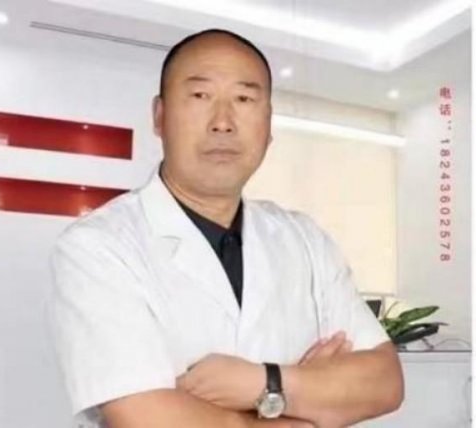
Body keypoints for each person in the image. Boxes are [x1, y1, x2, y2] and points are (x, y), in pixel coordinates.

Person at [48, 29, 404, 428]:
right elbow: (143, 416)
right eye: (200, 96)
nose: (223, 122)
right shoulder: (98, 245)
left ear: (268, 124)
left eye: (245, 99)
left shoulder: (305, 240)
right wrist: (304, 406)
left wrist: (263, 382)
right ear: (160, 116)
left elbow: (384, 382)